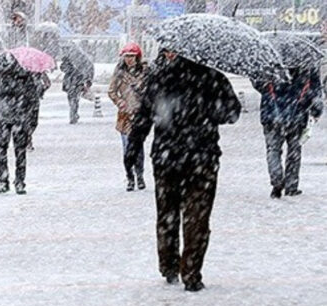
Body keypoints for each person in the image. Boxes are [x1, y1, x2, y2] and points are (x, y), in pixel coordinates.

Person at [125, 50, 241, 292]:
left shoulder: (160, 78)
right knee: (197, 217)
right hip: (202, 158)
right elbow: (232, 113)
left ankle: (168, 265)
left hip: (167, 157)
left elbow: (144, 116)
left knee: (167, 213)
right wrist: (208, 110)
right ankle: (191, 272)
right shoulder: (213, 78)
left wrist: (134, 146)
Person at [252, 66, 323, 198]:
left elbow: (258, 84)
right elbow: (315, 89)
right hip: (297, 114)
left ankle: (277, 181)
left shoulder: (268, 61)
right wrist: (316, 110)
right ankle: (291, 186)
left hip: (272, 113)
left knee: (273, 150)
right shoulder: (307, 62)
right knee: (294, 152)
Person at [0, 53, 39, 195]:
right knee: (19, 150)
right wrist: (33, 120)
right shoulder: (24, 74)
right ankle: (19, 182)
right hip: (19, 117)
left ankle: (4, 181)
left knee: (1, 149)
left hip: (4, 116)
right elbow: (33, 98)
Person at [108, 42, 150, 191]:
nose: (129, 59)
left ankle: (140, 175)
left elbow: (152, 90)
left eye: (132, 56)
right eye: (127, 56)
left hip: (140, 116)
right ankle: (129, 177)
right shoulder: (119, 72)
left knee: (138, 149)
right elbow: (111, 91)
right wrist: (120, 102)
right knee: (127, 149)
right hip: (125, 116)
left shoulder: (145, 72)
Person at [60, 42, 94, 124]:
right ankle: (74, 113)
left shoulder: (76, 59)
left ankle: (73, 114)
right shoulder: (72, 59)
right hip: (74, 82)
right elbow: (63, 68)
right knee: (73, 99)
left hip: (74, 82)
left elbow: (64, 69)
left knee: (73, 99)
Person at [27, 71, 51, 151]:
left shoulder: (39, 71)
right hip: (28, 100)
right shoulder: (20, 70)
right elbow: (47, 84)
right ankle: (28, 138)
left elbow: (47, 83)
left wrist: (42, 90)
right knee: (31, 121)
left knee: (32, 122)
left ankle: (27, 136)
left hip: (31, 100)